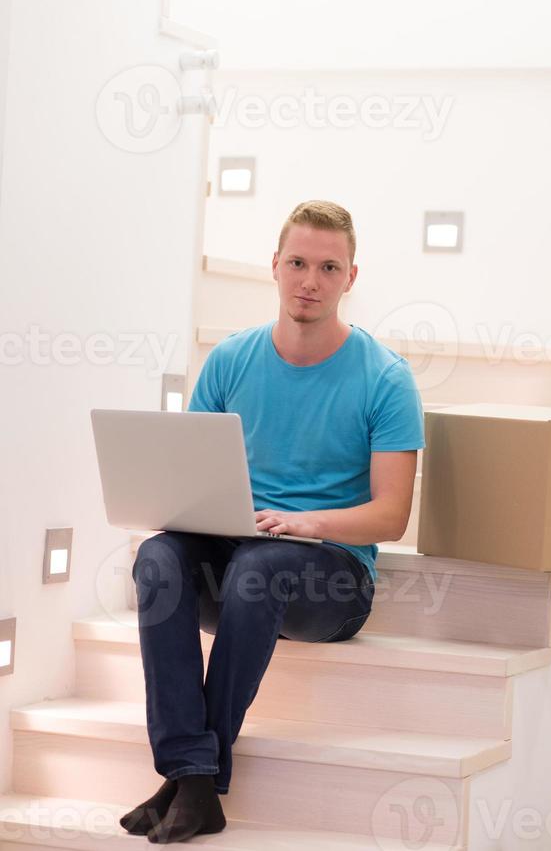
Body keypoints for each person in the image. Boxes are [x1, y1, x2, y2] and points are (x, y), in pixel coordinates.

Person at [120, 200, 425, 843]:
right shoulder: (232, 360)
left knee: (261, 566)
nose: (309, 280)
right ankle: (193, 775)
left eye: (327, 267)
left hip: (331, 582)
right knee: (157, 556)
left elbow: (391, 516)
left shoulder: (386, 378)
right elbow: (189, 475)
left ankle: (193, 775)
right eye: (297, 263)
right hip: (237, 557)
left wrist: (308, 524)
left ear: (350, 277)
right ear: (276, 266)